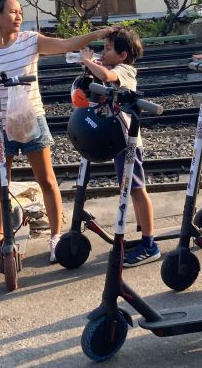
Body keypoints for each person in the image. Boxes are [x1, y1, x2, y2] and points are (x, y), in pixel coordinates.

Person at [0, 0, 117, 271]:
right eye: (12, 12)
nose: (18, 16)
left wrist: (98, 34)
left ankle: (56, 238)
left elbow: (66, 44)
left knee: (47, 181)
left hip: (30, 118)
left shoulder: (31, 40)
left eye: (20, 12)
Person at [79, 28, 161, 267]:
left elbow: (107, 77)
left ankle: (150, 244)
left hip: (128, 141)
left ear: (122, 55)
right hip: (118, 140)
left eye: (107, 49)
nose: (102, 53)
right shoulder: (115, 69)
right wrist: (88, 67)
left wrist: (87, 60)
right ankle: (145, 238)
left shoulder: (124, 71)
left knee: (136, 189)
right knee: (131, 189)